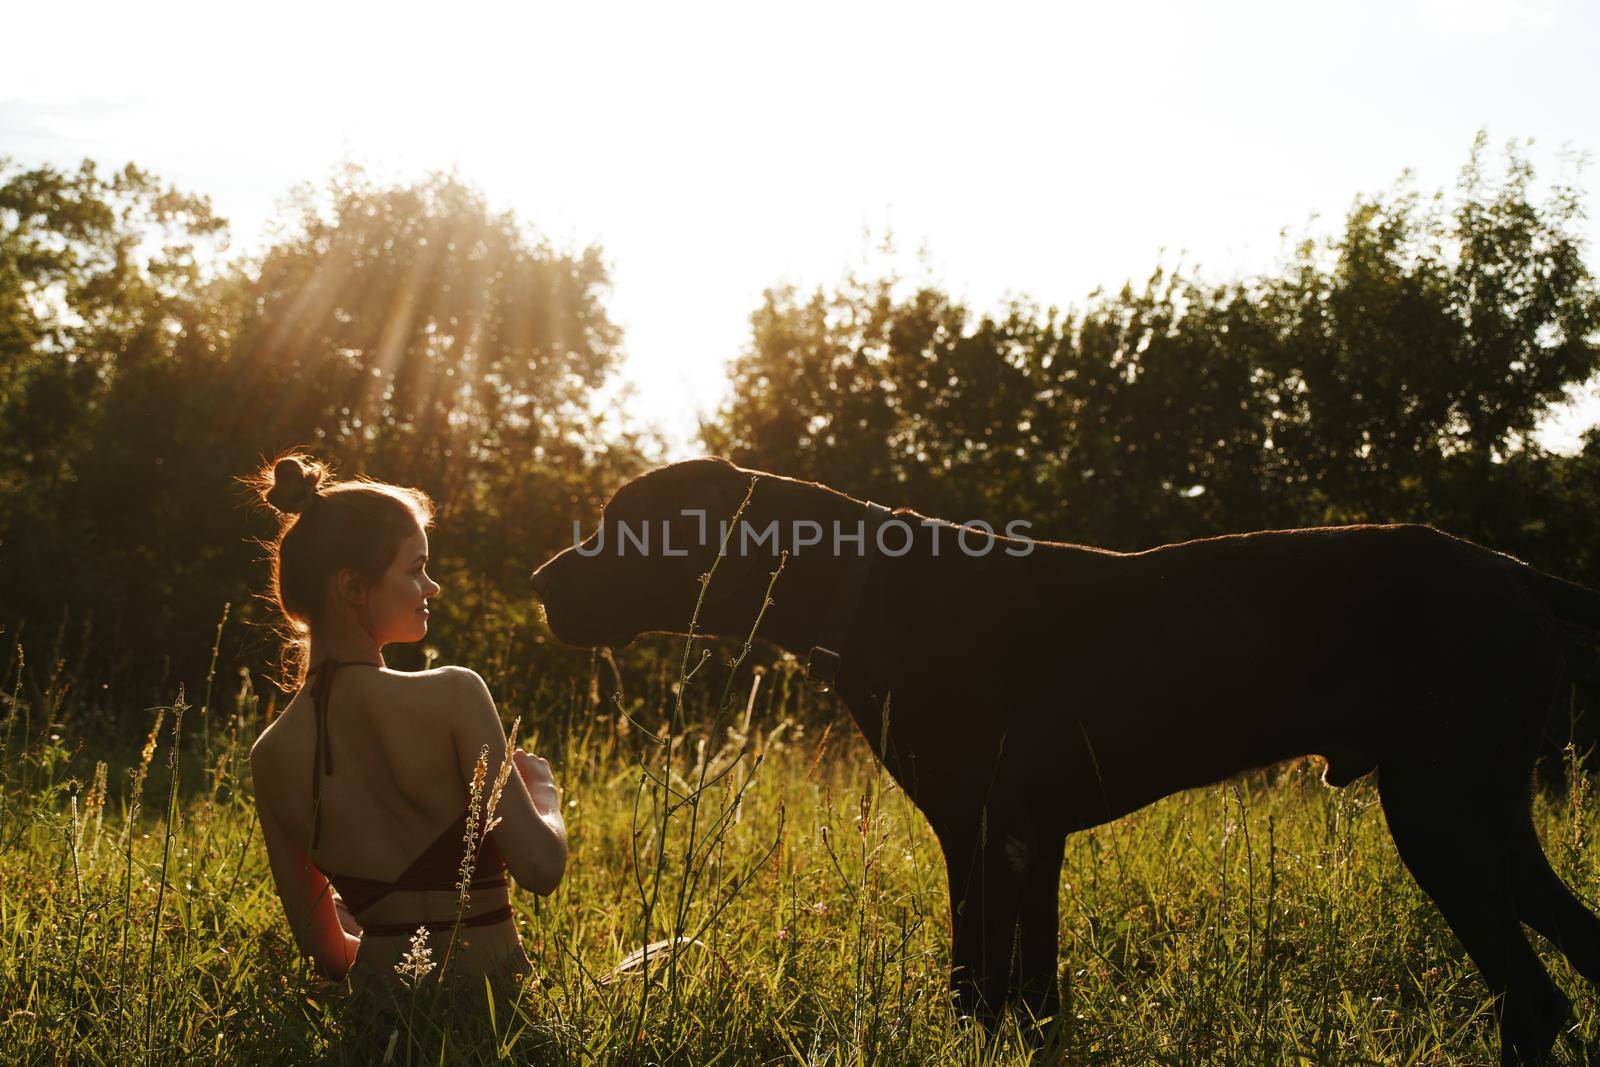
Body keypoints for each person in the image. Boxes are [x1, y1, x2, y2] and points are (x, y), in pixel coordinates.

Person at [244, 452, 567, 998]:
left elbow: (325, 950)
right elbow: (540, 868)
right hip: (498, 1010)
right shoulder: (454, 692)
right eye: (415, 568)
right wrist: (545, 797)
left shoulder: (270, 755)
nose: (432, 587)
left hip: (380, 1018)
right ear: (353, 587)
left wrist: (390, 969)